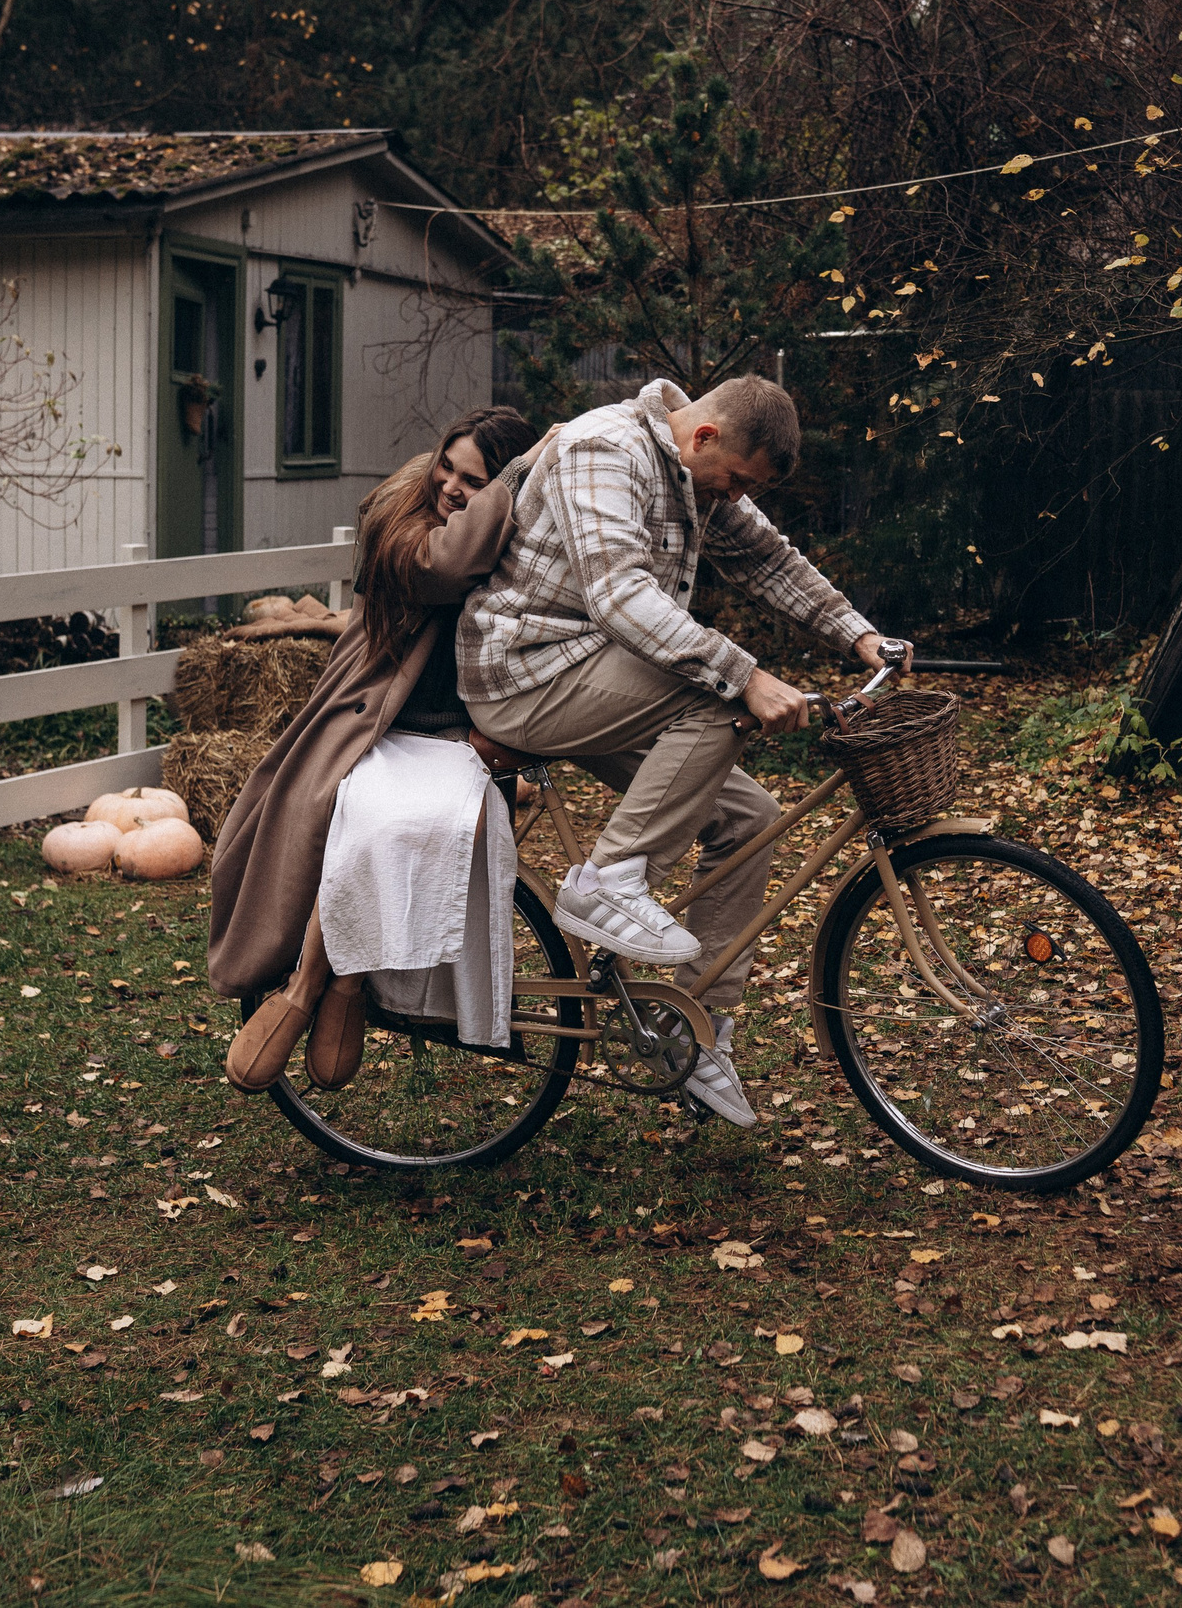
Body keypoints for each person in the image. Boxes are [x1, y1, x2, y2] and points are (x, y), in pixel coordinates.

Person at [459, 375, 892, 1129]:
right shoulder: (606, 448)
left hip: (591, 671)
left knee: (750, 816)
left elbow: (767, 558)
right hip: (522, 673)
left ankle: (693, 1030)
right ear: (704, 437)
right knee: (716, 697)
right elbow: (620, 595)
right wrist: (746, 674)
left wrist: (857, 633)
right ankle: (609, 880)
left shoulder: (694, 468)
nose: (731, 500)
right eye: (734, 482)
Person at [213, 406, 542, 1093]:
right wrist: (511, 480)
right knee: (360, 821)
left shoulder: (517, 549)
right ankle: (307, 987)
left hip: (457, 737)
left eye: (471, 479)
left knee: (419, 829)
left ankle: (346, 986)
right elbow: (447, 564)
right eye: (446, 465)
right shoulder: (406, 525)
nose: (449, 483)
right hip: (381, 723)